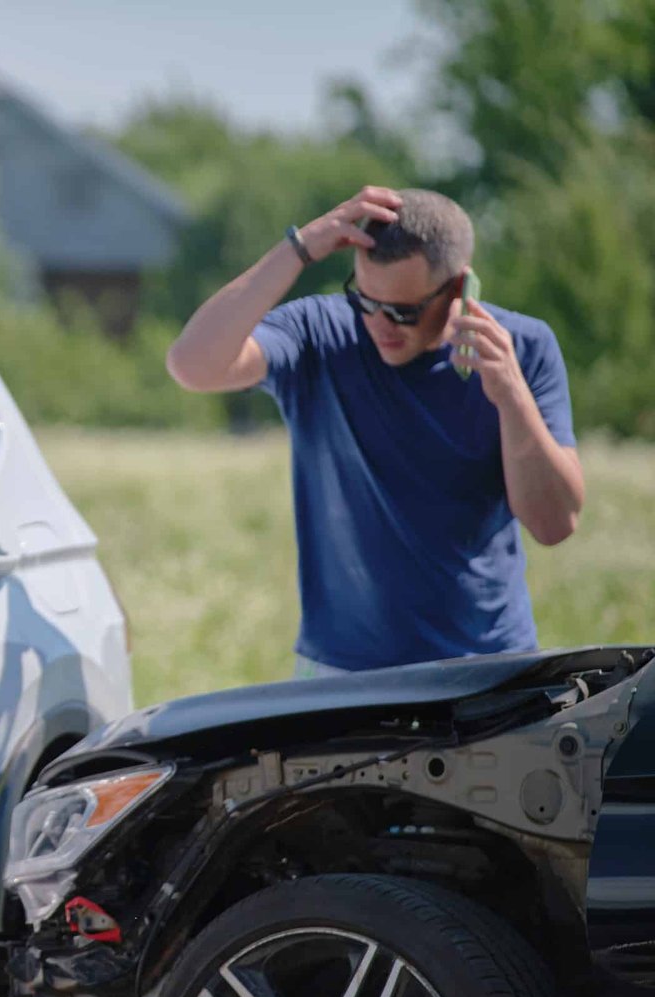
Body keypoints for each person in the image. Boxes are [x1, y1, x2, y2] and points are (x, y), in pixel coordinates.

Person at [165, 186, 584, 675]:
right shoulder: (319, 333)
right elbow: (192, 366)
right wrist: (299, 248)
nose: (379, 325)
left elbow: (555, 525)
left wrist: (511, 396)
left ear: (460, 290)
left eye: (403, 312)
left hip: (489, 667)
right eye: (364, 300)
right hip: (343, 674)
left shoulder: (525, 348)